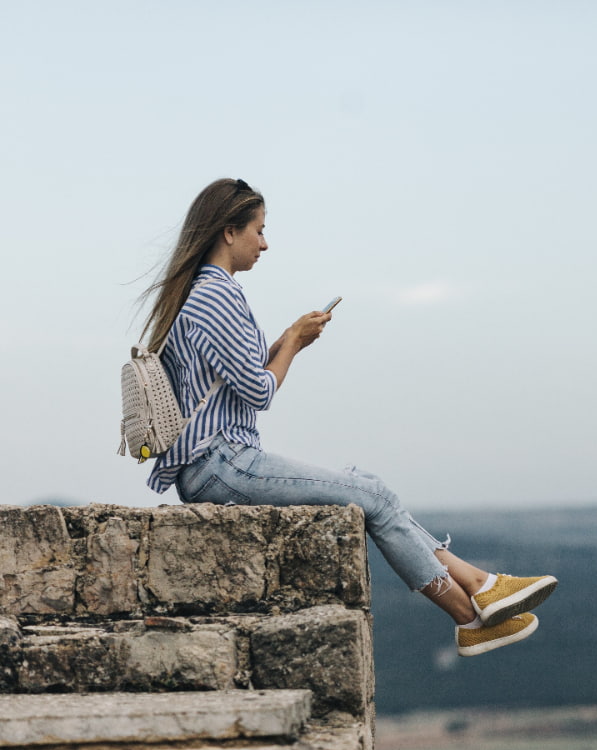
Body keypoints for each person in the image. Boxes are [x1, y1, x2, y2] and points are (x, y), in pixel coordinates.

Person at [136, 178, 556, 656]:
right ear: (228, 232)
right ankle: (470, 611)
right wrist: (292, 341)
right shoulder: (217, 296)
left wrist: (289, 340)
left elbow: (232, 376)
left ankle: (481, 591)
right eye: (259, 230)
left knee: (367, 485)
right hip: (220, 464)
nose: (265, 243)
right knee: (372, 493)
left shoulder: (200, 292)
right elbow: (256, 390)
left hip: (217, 464)